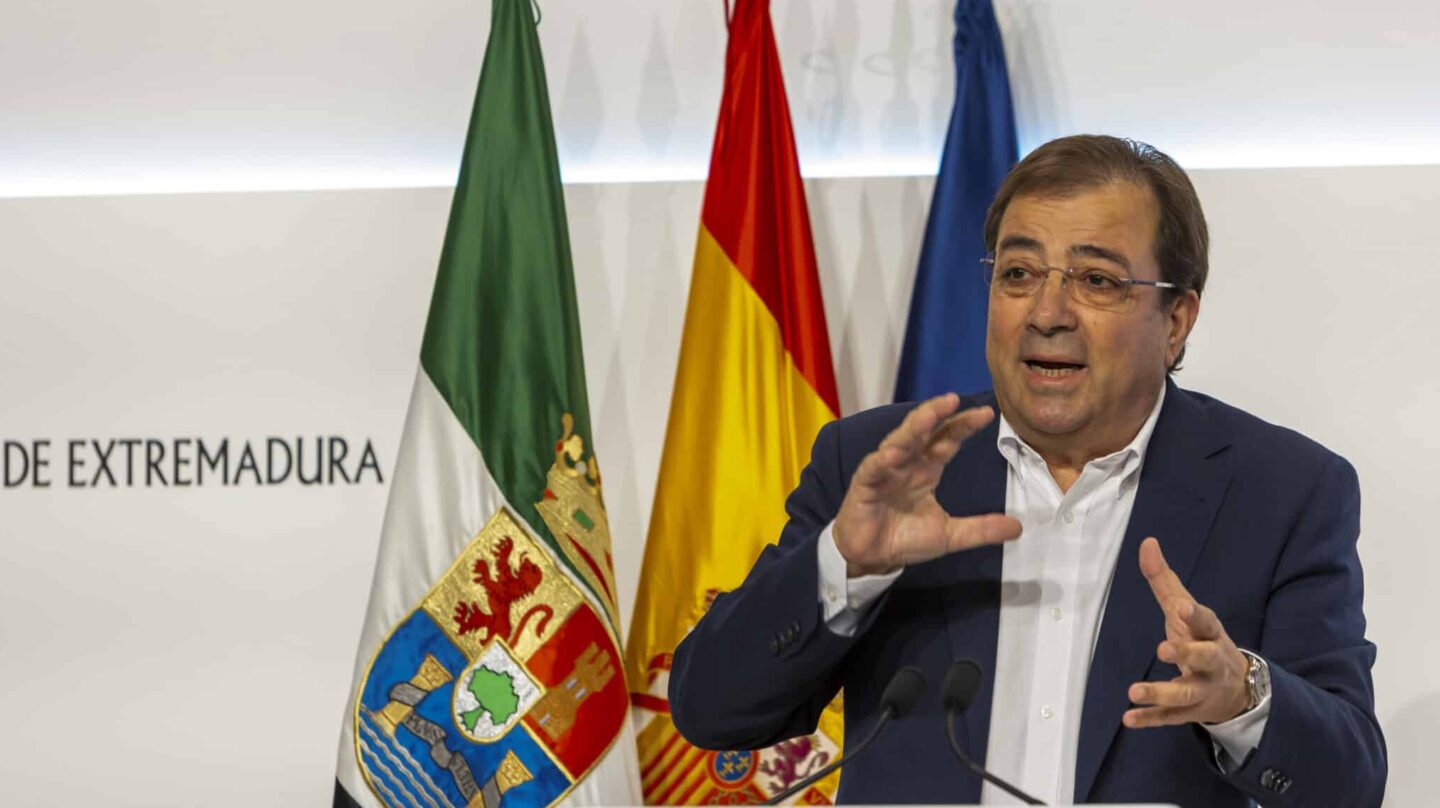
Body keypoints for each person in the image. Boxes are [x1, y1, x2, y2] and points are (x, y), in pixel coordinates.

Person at [667, 135, 1386, 806]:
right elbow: (710, 710)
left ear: (1175, 321)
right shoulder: (882, 467)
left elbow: (1350, 781)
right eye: (1018, 273)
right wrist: (843, 566)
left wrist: (1243, 697)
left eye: (1096, 280)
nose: (1047, 311)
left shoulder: (1282, 490)